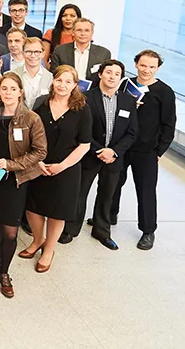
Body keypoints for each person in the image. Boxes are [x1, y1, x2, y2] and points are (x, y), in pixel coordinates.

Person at [0, 72, 47, 298]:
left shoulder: (31, 118)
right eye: (4, 88)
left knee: (10, 232)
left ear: (20, 92)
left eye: (12, 88)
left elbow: (40, 152)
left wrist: (10, 164)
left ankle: (5, 273)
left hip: (15, 181)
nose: (8, 92)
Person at [21, 65, 92, 273]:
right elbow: (28, 134)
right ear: (53, 81)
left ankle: (49, 249)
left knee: (57, 212)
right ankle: (37, 240)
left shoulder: (82, 109)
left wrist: (62, 166)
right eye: (59, 80)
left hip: (66, 168)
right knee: (32, 207)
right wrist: (36, 161)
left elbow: (85, 144)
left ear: (75, 85)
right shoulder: (41, 103)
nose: (62, 85)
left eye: (68, 82)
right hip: (38, 164)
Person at [62, 59, 137, 250]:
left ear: (121, 78)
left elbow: (132, 132)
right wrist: (99, 150)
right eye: (109, 72)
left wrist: (114, 151)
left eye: (117, 74)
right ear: (100, 74)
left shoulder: (128, 100)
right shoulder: (86, 98)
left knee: (107, 196)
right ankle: (70, 229)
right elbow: (79, 130)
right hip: (89, 154)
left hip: (114, 158)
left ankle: (102, 231)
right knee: (80, 193)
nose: (112, 77)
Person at [111, 49, 176, 251]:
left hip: (147, 150)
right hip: (122, 145)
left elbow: (169, 124)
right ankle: (108, 216)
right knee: (113, 183)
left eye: (151, 67)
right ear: (136, 64)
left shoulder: (164, 92)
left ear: (157, 68)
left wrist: (159, 150)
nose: (146, 70)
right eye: (143, 65)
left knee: (146, 190)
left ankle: (148, 230)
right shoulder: (126, 84)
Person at [50, 18, 111, 84]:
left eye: (87, 30)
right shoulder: (60, 50)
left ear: (92, 33)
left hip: (92, 89)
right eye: (79, 30)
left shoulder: (104, 53)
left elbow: (105, 78)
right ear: (73, 32)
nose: (83, 34)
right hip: (65, 88)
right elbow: (54, 74)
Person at [20, 37, 53, 108]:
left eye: (37, 52)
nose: (33, 55)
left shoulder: (51, 78)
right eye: (28, 52)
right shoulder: (12, 75)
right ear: (23, 53)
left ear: (43, 54)